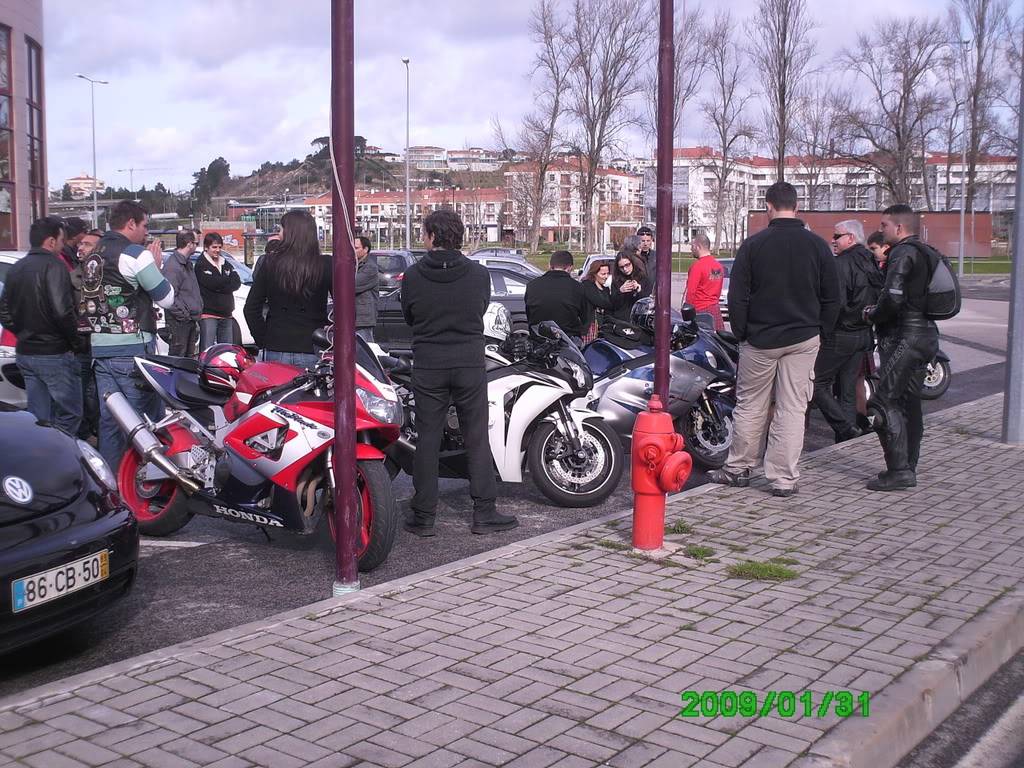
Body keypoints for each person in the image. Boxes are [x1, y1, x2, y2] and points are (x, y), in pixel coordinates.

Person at [707, 181, 840, 497]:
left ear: (768, 207)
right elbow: (832, 298)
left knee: (751, 405)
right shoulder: (818, 246)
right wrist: (822, 330)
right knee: (792, 408)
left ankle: (739, 469)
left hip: (760, 339)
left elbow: (737, 298)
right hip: (804, 336)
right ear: (797, 208)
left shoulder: (753, 246)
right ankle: (783, 478)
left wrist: (742, 333)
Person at [400, 209, 516, 537]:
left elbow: (410, 315)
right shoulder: (478, 274)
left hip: (428, 364)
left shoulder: (413, 276)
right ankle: (484, 512)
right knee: (477, 437)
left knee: (427, 440)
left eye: (424, 233)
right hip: (468, 362)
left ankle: (423, 516)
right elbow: (480, 309)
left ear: (433, 236)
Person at [82, 201, 175, 468]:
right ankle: (144, 489)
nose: (147, 233)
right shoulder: (136, 254)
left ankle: (112, 489)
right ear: (131, 223)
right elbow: (166, 298)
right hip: (132, 349)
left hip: (100, 349)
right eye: (145, 226)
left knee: (111, 423)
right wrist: (156, 266)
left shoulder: (93, 254)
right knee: (144, 423)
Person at [862, 204, 940, 491]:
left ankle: (899, 470)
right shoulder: (926, 251)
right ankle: (908, 465)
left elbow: (892, 299)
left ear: (898, 228)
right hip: (926, 334)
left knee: (882, 403)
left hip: (906, 336)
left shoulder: (903, 253)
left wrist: (872, 314)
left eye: (884, 225)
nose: (881, 230)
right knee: (909, 403)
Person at [0, 217, 83, 434]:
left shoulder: (17, 268)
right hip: (54, 352)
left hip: (26, 351)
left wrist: (24, 332)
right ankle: (60, 455)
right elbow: (62, 311)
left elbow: (5, 312)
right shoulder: (54, 266)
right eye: (61, 240)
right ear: (50, 241)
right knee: (71, 413)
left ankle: (43, 454)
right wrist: (75, 341)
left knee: (38, 416)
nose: (63, 244)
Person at [811, 220, 882, 443]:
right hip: (863, 333)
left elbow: (836, 302)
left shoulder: (842, 264)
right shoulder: (870, 259)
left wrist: (824, 330)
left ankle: (845, 428)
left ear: (850, 237)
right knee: (847, 389)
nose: (832, 240)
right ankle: (847, 439)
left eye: (837, 236)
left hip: (842, 333)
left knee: (815, 383)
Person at [243, 209, 330, 369]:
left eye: (281, 229)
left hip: (276, 344)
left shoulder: (270, 263)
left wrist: (263, 340)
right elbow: (345, 309)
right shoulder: (325, 264)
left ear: (289, 233)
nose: (279, 234)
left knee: (277, 393)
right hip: (313, 346)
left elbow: (251, 308)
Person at [75, 228, 103, 440]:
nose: (80, 247)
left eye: (87, 244)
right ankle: (86, 432)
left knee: (100, 393)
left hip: (105, 344)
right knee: (85, 392)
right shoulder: (73, 276)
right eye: (80, 243)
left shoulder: (109, 277)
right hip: (81, 345)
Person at [525, 250, 587, 343]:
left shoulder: (532, 285)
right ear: (570, 267)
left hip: (537, 343)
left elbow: (529, 314)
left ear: (549, 265)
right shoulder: (577, 288)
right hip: (568, 342)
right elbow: (584, 317)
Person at [161, 230, 203, 357]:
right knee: (178, 359)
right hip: (179, 323)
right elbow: (169, 296)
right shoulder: (173, 266)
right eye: (196, 243)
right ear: (189, 244)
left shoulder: (186, 263)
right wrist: (185, 315)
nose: (197, 246)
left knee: (188, 360)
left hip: (188, 320)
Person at [195, 232, 240, 351]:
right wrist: (226, 281)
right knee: (207, 350)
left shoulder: (225, 263)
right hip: (209, 314)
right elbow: (211, 283)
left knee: (227, 351)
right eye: (214, 247)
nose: (217, 250)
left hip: (226, 314)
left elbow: (236, 282)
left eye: (220, 247)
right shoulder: (200, 264)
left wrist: (220, 284)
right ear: (206, 247)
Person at [684, 234, 725, 330]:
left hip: (700, 311)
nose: (691, 249)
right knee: (717, 342)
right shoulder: (719, 266)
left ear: (698, 247)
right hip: (715, 310)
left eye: (692, 246)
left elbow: (691, 292)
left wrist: (687, 312)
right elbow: (718, 291)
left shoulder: (697, 266)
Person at [581, 259, 615, 343]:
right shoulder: (587, 286)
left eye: (608, 273)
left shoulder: (605, 289)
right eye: (603, 274)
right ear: (594, 274)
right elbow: (602, 302)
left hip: (602, 328)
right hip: (590, 328)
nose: (606, 276)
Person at [610, 252, 651, 321]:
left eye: (627, 265)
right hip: (622, 320)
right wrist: (620, 291)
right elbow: (613, 304)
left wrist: (639, 290)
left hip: (639, 319)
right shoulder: (616, 281)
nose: (625, 269)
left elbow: (648, 302)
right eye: (621, 267)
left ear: (632, 263)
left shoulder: (643, 278)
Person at [353, 235, 379, 342]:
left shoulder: (370, 268)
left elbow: (352, 285)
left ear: (365, 249)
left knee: (364, 352)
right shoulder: (353, 265)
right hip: (351, 318)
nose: (353, 251)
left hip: (362, 320)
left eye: (356, 248)